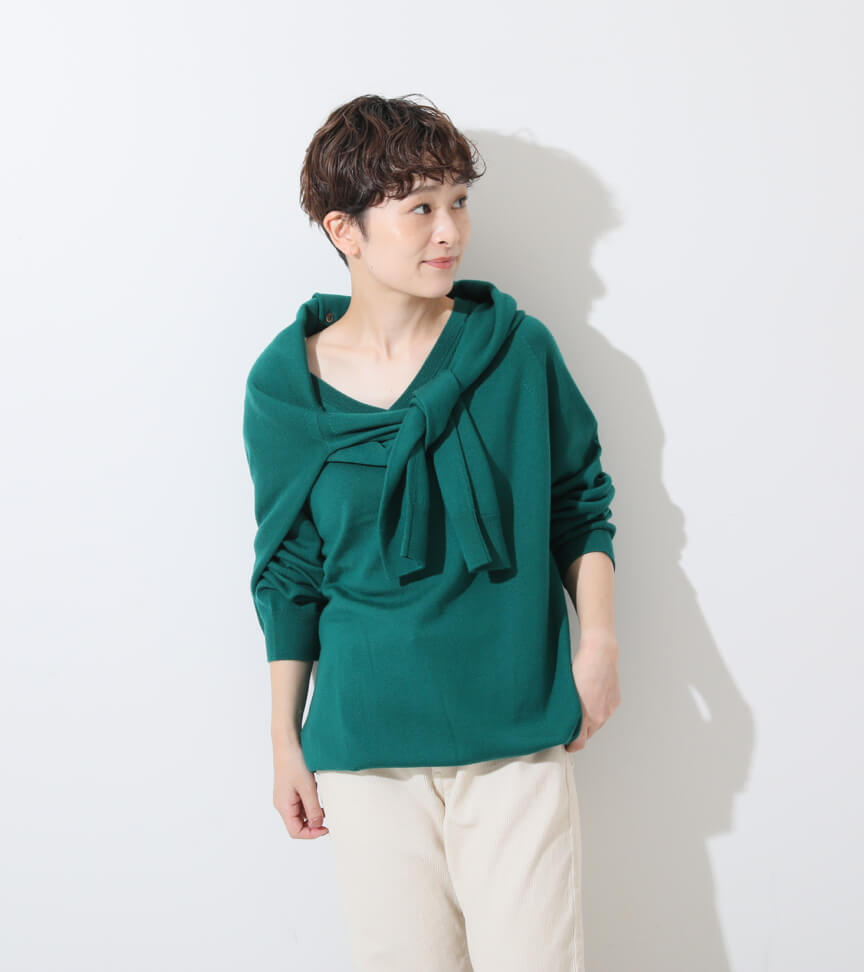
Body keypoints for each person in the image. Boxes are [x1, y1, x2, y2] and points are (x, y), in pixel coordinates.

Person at [242, 93, 621, 972]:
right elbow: (289, 571)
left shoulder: (516, 351)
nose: (450, 231)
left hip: (516, 732)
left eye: (458, 201)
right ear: (344, 230)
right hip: (366, 748)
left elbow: (579, 501)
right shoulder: (284, 387)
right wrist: (284, 738)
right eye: (419, 208)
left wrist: (598, 643)